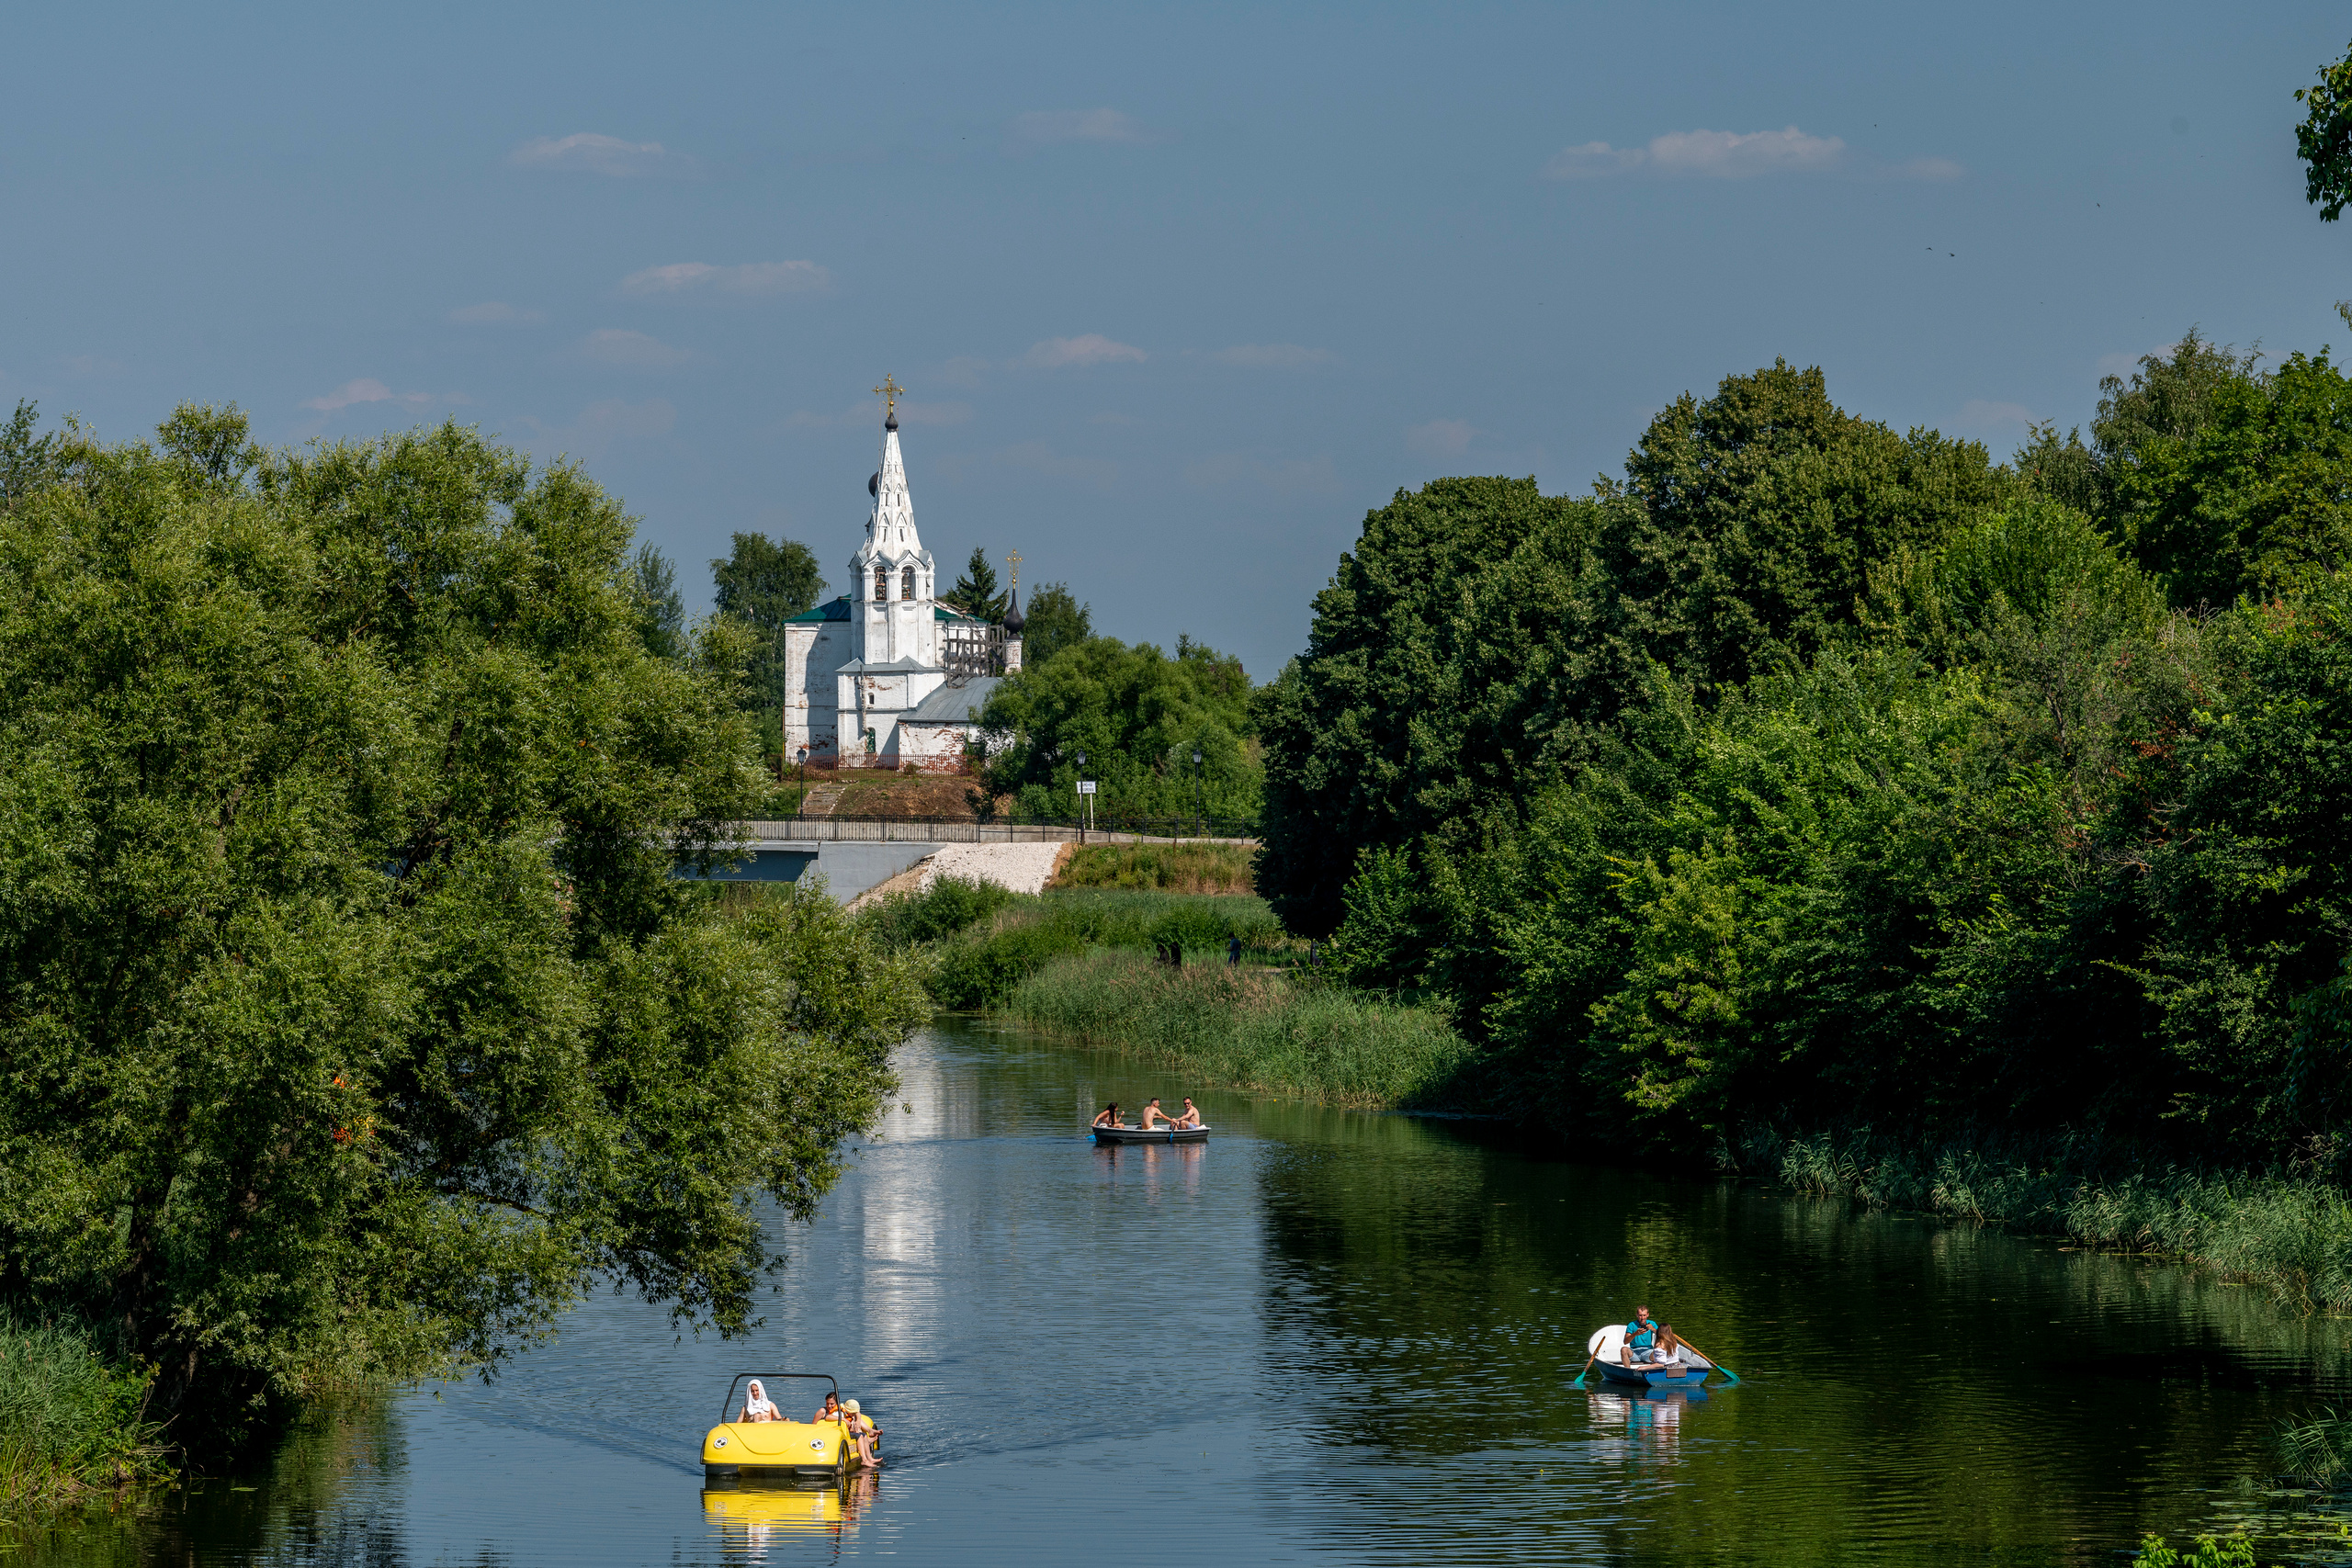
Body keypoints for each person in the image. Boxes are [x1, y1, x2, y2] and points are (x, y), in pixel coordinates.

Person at [842, 1398, 882, 1466]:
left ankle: (870, 1458)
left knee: (862, 1433)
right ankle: (865, 1457)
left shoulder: (851, 1414)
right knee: (860, 1434)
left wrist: (858, 1421)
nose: (854, 1414)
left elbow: (858, 1413)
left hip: (853, 1429)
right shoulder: (842, 1413)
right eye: (853, 1413)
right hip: (846, 1432)